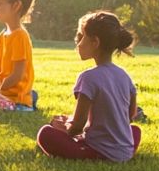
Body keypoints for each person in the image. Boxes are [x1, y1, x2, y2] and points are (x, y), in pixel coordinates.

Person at [37, 11, 142, 161]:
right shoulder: (124, 76)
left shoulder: (88, 77)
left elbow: (77, 127)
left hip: (99, 151)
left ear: (95, 42)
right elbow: (129, 116)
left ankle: (96, 151)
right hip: (124, 150)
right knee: (134, 130)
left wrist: (63, 125)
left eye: (82, 37)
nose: (79, 43)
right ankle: (123, 151)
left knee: (45, 133)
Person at [0, 0, 38, 110]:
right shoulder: (2, 35)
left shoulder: (19, 36)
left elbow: (17, 74)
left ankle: (27, 100)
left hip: (15, 99)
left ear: (16, 6)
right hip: (3, 93)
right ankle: (31, 96)